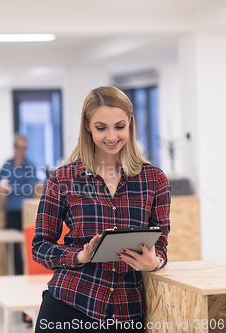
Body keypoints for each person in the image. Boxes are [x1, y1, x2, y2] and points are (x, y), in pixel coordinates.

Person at [32, 86, 171, 332]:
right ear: (87, 126)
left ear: (130, 122)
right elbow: (40, 247)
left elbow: (161, 243)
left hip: (126, 311)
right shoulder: (63, 178)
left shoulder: (153, 179)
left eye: (119, 126)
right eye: (101, 127)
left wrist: (154, 262)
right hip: (69, 304)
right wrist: (79, 256)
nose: (111, 136)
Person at [0, 133, 39, 275]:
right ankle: (12, 273)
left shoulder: (30, 166)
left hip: (24, 211)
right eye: (19, 147)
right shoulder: (7, 164)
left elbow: (28, 188)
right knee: (10, 245)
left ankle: (22, 274)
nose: (21, 151)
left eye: (24, 148)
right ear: (14, 147)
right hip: (10, 209)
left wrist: (10, 188)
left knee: (23, 245)